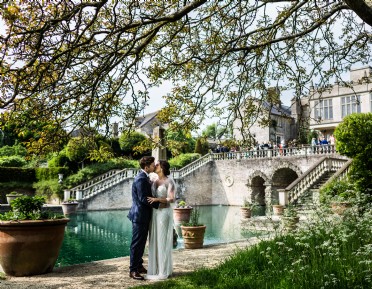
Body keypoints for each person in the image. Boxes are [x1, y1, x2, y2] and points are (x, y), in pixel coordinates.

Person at [128, 156, 162, 281]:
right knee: (137, 244)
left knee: (141, 242)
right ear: (146, 166)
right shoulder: (141, 179)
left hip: (143, 215)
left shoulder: (144, 177)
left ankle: (139, 265)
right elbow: (143, 199)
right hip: (139, 216)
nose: (154, 166)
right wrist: (159, 204)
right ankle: (133, 270)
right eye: (152, 164)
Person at [146, 160, 176, 280]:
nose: (155, 166)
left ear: (162, 167)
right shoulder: (154, 181)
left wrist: (157, 200)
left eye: (157, 164)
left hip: (164, 213)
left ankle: (163, 271)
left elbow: (172, 199)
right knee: (154, 240)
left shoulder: (169, 181)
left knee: (162, 241)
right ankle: (155, 269)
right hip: (154, 214)